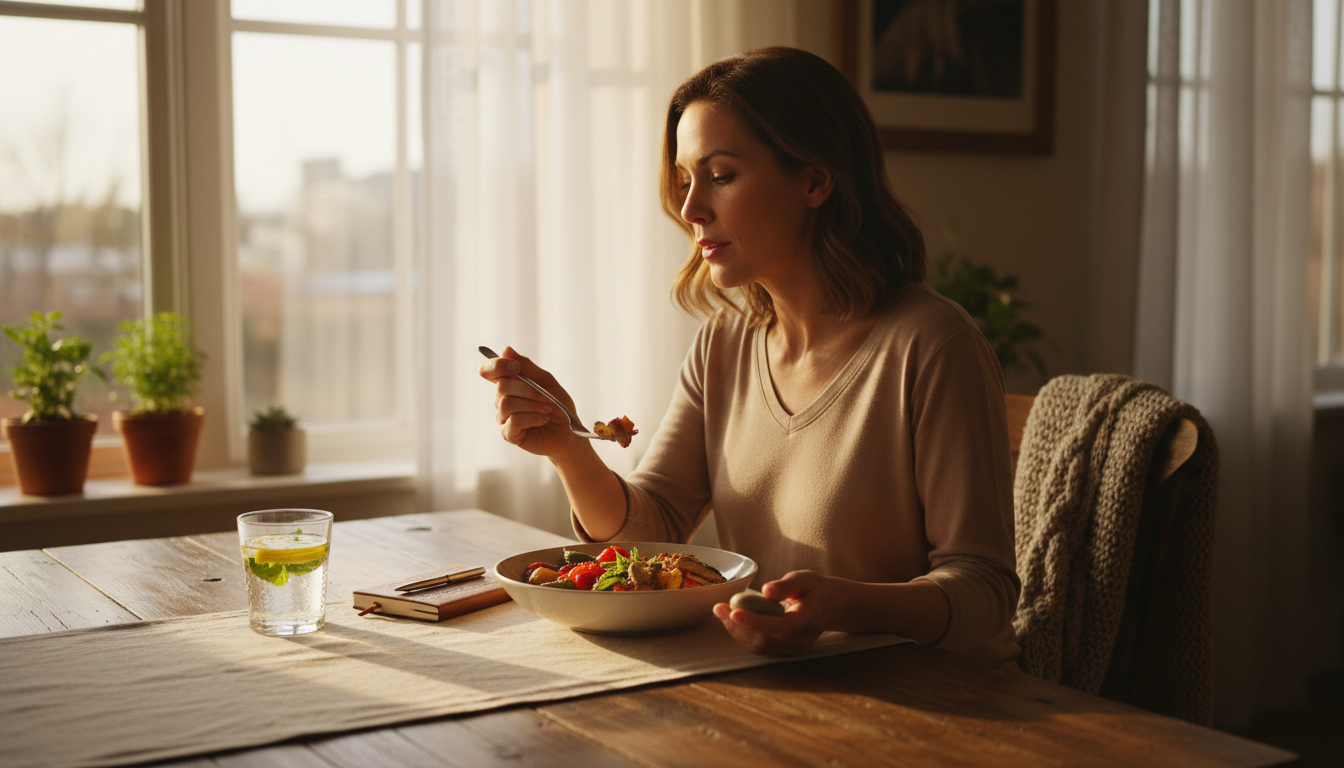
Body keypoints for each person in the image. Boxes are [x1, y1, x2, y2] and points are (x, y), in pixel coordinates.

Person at [480, 46, 1020, 665]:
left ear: (815, 179)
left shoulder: (932, 345)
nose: (690, 210)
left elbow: (985, 591)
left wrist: (844, 606)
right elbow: (653, 534)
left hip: (935, 705)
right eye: (685, 181)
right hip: (782, 693)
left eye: (722, 175)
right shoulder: (723, 344)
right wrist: (570, 448)